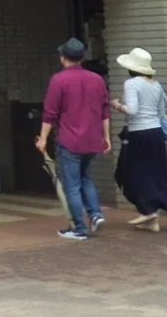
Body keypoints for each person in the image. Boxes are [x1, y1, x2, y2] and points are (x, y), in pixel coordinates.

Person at [38, 37, 111, 241]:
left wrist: (43, 138)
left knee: (72, 184)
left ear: (63, 58)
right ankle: (95, 214)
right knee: (85, 178)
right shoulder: (96, 79)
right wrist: (106, 136)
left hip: (69, 140)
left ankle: (78, 228)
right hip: (93, 139)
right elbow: (104, 110)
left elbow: (49, 113)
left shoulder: (59, 80)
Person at [111, 47, 167, 231]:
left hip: (138, 133)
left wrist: (117, 105)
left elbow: (133, 110)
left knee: (134, 172)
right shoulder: (157, 85)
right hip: (156, 132)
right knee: (154, 172)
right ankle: (153, 220)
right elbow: (161, 112)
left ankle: (147, 211)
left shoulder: (132, 84)